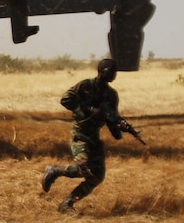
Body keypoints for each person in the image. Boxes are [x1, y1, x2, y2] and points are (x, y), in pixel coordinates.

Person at [41, 57, 137, 213]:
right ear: (102, 71)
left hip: (94, 138)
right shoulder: (85, 85)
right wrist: (87, 110)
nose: (114, 74)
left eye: (115, 71)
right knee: (83, 167)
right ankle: (55, 170)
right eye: (111, 71)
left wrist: (120, 127)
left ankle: (68, 203)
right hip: (80, 133)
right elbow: (65, 100)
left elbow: (113, 123)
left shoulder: (111, 95)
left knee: (96, 177)